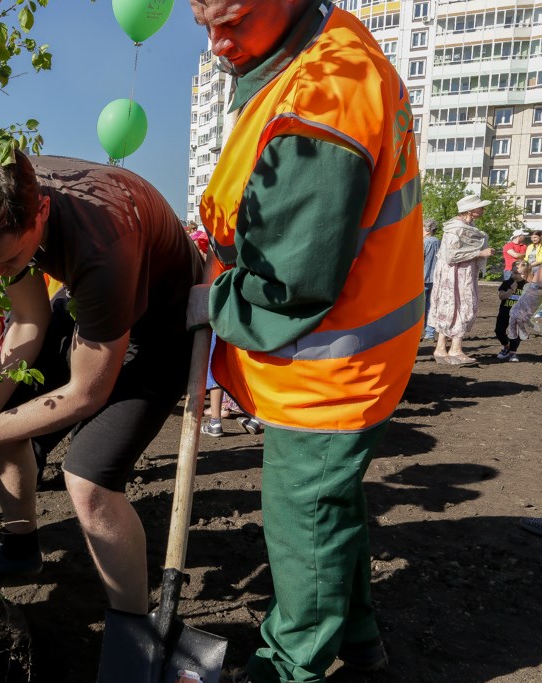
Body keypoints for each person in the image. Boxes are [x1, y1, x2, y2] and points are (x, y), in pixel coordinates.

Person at [187, 1, 423, 681]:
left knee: (304, 517)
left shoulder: (323, 103)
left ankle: (292, 665)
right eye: (202, 21)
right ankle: (361, 636)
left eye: (230, 18)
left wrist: (210, 300)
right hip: (361, 338)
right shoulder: (314, 49)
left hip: (337, 362)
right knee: (333, 502)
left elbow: (287, 283)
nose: (215, 41)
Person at [0, 150, 204, 620]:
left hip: (162, 327)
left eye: (7, 260)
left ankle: (131, 627)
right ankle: (19, 547)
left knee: (89, 481)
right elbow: (30, 319)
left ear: (44, 214)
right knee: (0, 411)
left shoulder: (103, 244)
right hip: (89, 310)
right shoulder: (0, 198)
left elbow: (85, 393)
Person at [427, 194, 495, 365]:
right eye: (480, 207)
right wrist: (480, 253)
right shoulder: (456, 228)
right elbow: (451, 255)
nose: (483, 210)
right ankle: (454, 349)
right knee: (460, 305)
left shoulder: (465, 227)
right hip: (456, 274)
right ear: (470, 210)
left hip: (460, 272)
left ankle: (442, 349)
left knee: (453, 306)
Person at [496, 261, 529, 362]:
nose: (514, 275)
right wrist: (511, 290)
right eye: (513, 272)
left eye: (517, 273)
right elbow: (501, 297)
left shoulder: (527, 286)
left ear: (524, 273)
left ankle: (512, 353)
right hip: (504, 312)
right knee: (499, 331)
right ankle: (507, 347)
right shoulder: (506, 283)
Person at [423, 219, 440, 342]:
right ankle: (429, 333)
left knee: (419, 308)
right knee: (432, 306)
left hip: (422, 279)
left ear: (427, 230)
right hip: (435, 278)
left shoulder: (424, 242)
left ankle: (421, 332)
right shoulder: (438, 242)